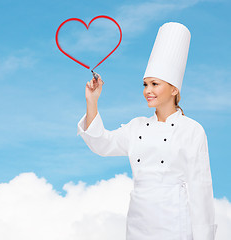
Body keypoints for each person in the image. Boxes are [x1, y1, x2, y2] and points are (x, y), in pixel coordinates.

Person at [77, 22, 218, 240]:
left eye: (155, 84)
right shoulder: (137, 126)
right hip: (138, 224)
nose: (148, 91)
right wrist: (92, 101)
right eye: (145, 85)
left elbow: (201, 188)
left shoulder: (191, 130)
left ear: (174, 89)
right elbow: (101, 144)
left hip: (174, 224)